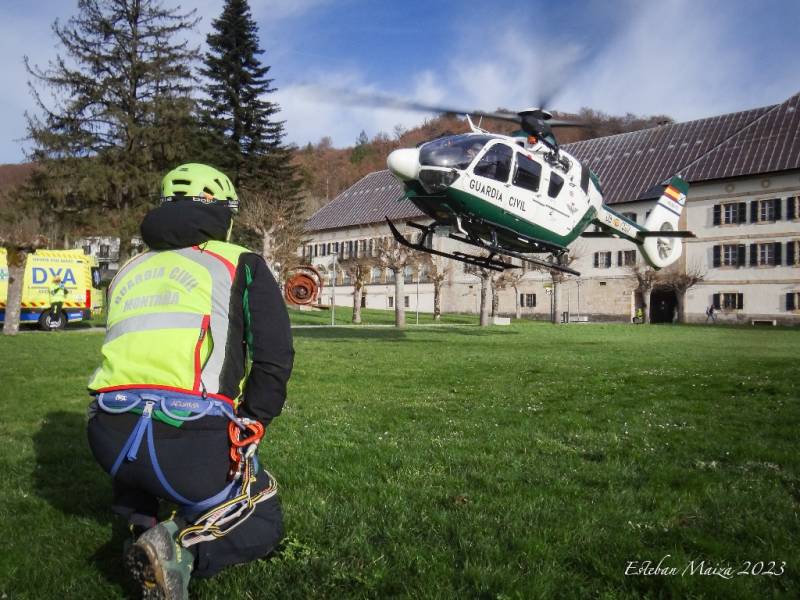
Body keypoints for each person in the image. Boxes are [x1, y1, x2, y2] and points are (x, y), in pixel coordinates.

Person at [86, 163, 294, 599]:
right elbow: (274, 355)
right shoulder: (240, 262)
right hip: (189, 441)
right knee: (262, 516)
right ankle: (180, 554)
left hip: (109, 435)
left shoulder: (128, 269)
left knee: (145, 460)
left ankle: (138, 521)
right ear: (224, 213)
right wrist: (255, 419)